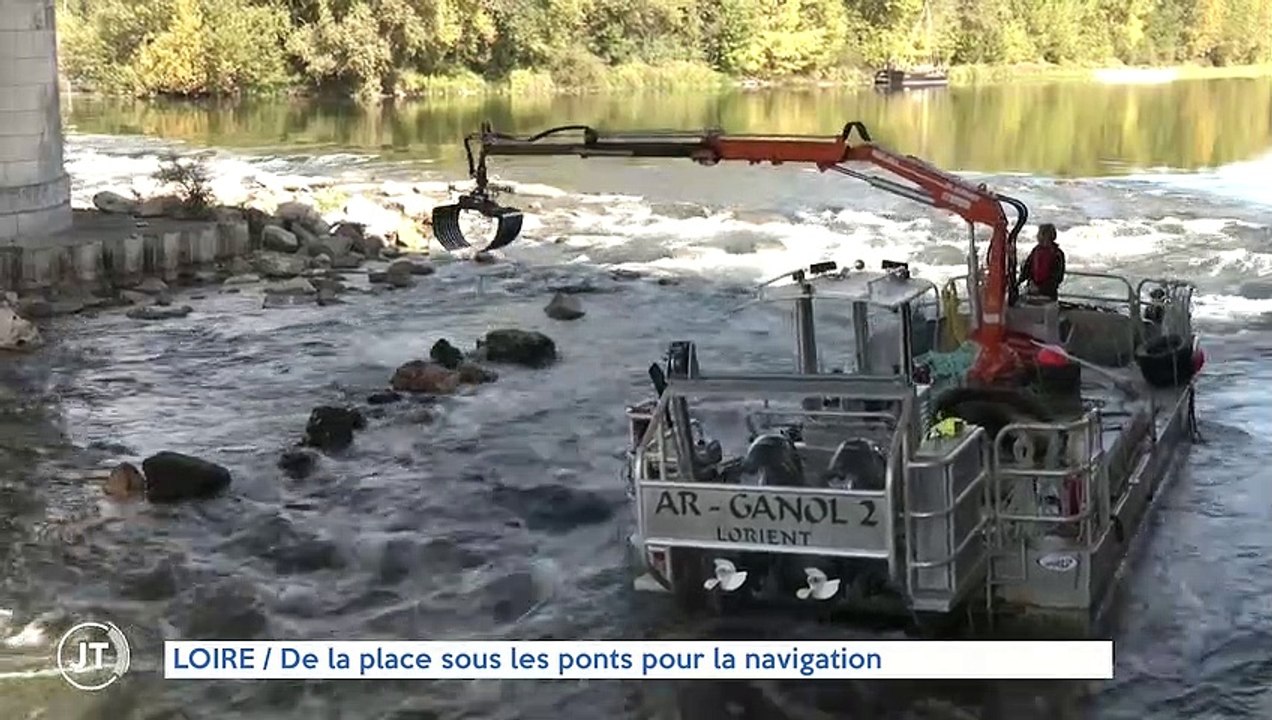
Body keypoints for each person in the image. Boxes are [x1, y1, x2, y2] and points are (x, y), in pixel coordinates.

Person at [1018, 223, 1066, 301]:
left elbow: (1057, 276)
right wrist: (1019, 282)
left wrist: (1040, 289)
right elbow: (1027, 268)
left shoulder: (1057, 254)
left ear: (1045, 235)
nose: (1037, 236)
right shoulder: (1036, 250)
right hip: (1032, 288)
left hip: (1049, 293)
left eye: (1039, 233)